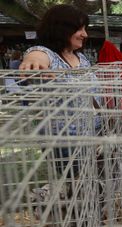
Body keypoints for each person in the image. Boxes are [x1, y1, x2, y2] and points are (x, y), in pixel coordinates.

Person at [19, 4, 101, 179]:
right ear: (61, 29)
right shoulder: (46, 54)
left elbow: (91, 95)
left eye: (85, 29)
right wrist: (33, 63)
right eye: (79, 29)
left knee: (93, 182)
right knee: (78, 182)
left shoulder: (82, 59)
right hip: (64, 143)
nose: (85, 34)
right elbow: (36, 55)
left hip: (91, 134)